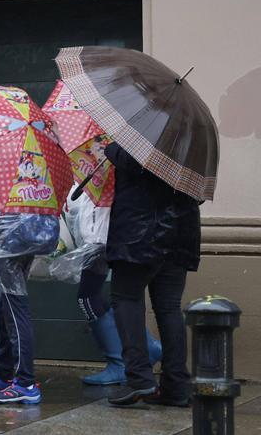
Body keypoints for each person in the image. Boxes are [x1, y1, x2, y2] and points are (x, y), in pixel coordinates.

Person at [104, 142, 199, 407]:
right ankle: (177, 385)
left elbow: (130, 160)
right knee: (169, 307)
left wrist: (111, 148)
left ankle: (139, 378)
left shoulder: (145, 133)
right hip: (181, 231)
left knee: (126, 298)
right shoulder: (193, 142)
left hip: (140, 231)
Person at [64, 186, 162, 386]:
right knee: (101, 296)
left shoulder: (102, 170)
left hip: (99, 238)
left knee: (88, 298)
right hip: (110, 236)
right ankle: (149, 347)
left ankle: (118, 363)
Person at [0, 204, 58, 405]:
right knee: (5, 308)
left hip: (6, 242)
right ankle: (4, 373)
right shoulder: (32, 181)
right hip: (27, 235)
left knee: (15, 310)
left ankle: (26, 383)